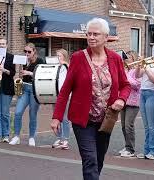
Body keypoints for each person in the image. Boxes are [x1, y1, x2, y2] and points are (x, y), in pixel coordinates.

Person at [50, 18, 131, 180]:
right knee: (90, 160)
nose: (91, 37)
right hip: (83, 121)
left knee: (98, 160)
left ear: (106, 37)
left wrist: (121, 100)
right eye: (89, 34)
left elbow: (126, 85)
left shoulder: (115, 59)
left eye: (96, 34)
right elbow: (65, 90)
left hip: (105, 120)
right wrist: (57, 117)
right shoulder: (78, 58)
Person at [9, 43, 45, 147]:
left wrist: (29, 73)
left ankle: (31, 137)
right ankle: (16, 136)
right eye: (25, 51)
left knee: (32, 114)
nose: (27, 53)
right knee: (18, 112)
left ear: (34, 51)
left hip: (34, 89)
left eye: (29, 52)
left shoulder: (40, 61)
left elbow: (43, 74)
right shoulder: (23, 60)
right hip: (24, 88)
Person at [118, 50, 141, 158]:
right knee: (123, 125)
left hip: (133, 101)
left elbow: (137, 85)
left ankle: (131, 149)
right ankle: (127, 146)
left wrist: (126, 77)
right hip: (123, 100)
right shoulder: (124, 69)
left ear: (133, 59)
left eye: (129, 57)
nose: (126, 59)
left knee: (128, 125)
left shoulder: (136, 70)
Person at [52, 48, 71, 150]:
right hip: (55, 95)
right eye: (57, 56)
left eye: (59, 56)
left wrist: (64, 63)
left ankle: (66, 140)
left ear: (64, 57)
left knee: (64, 118)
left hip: (65, 96)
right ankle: (59, 138)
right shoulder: (56, 67)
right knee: (56, 118)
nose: (58, 58)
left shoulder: (67, 66)